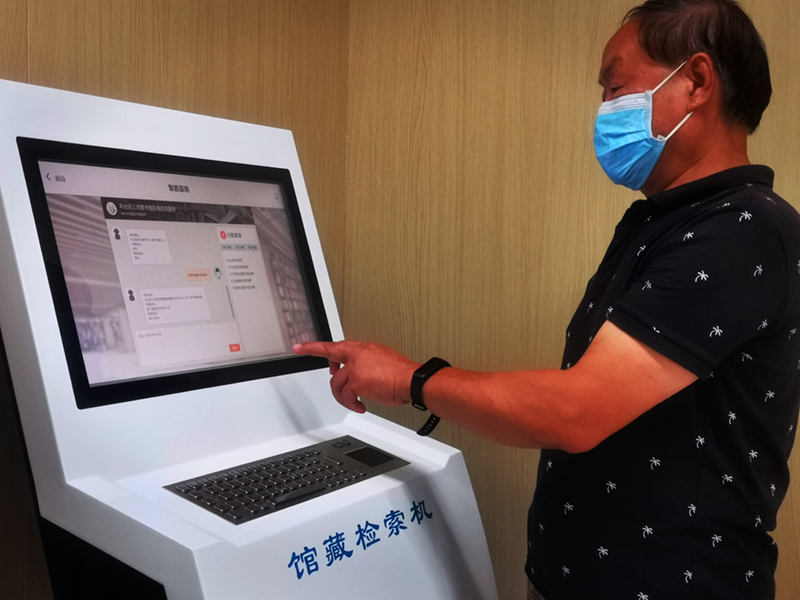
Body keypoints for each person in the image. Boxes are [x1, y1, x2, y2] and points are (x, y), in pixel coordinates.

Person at [295, 1, 800, 598]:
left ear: (695, 81)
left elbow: (575, 411)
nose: (605, 109)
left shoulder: (742, 229)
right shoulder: (663, 221)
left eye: (616, 88)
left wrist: (411, 379)